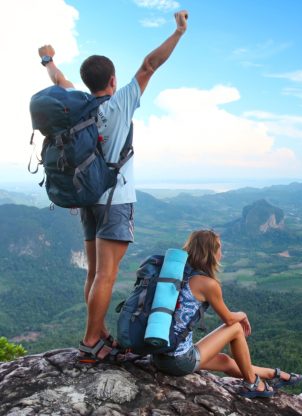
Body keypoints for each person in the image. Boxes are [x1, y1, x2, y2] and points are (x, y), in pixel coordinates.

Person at [38, 10, 189, 362]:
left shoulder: (79, 106)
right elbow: (150, 64)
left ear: (87, 81)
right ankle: (92, 341)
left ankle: (99, 331)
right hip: (115, 200)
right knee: (107, 274)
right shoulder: (120, 103)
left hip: (87, 197)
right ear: (113, 78)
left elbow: (60, 81)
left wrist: (47, 60)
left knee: (93, 272)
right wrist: (178, 32)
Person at [152, 230, 302, 398]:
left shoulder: (176, 274)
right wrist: (243, 314)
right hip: (178, 361)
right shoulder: (207, 284)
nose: (221, 253)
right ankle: (253, 384)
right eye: (219, 249)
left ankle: (273, 374)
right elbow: (229, 319)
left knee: (225, 361)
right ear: (210, 253)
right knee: (236, 328)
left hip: (159, 356)